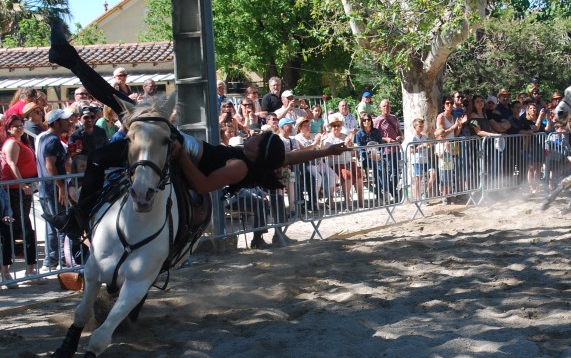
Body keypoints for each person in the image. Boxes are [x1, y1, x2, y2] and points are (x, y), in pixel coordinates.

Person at [44, 19, 350, 239]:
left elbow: (203, 186)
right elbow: (287, 158)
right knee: (119, 100)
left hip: (178, 148)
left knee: (101, 148)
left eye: (260, 141)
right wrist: (326, 149)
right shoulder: (253, 157)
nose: (255, 137)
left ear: (259, 153)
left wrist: (179, 154)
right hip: (180, 143)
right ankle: (68, 57)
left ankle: (79, 219)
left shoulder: (237, 166)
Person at [1, 114, 39, 281]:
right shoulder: (12, 143)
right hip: (14, 191)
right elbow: (11, 163)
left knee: (25, 228)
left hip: (22, 190)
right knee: (17, 228)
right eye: (15, 125)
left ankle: (30, 269)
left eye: (21, 124)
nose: (19, 127)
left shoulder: (22, 142)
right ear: (9, 129)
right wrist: (22, 183)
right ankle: (9, 271)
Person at [37, 108, 74, 270]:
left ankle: (52, 260)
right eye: (65, 120)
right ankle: (59, 260)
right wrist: (61, 187)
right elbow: (49, 166)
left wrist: (68, 156)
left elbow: (56, 164)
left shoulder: (47, 138)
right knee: (60, 224)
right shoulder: (52, 140)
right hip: (52, 189)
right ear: (56, 123)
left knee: (52, 225)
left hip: (47, 188)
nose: (69, 122)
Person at [323, 116, 362, 208]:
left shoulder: (345, 137)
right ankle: (347, 200)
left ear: (341, 127)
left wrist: (350, 145)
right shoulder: (328, 139)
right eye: (334, 126)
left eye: (338, 125)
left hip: (348, 161)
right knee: (347, 175)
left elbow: (352, 153)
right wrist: (345, 145)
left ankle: (361, 200)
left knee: (359, 175)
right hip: (335, 163)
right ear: (331, 127)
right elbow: (331, 154)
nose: (336, 127)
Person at [373, 99, 404, 199]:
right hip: (385, 150)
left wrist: (400, 137)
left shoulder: (394, 118)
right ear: (380, 108)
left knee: (395, 171)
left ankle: (393, 190)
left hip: (395, 148)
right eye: (384, 106)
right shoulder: (377, 121)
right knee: (388, 171)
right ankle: (390, 191)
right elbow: (375, 136)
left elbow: (398, 130)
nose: (386, 108)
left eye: (388, 106)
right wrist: (386, 139)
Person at [355, 113, 387, 200]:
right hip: (366, 158)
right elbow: (359, 149)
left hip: (377, 156)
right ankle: (381, 192)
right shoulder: (358, 134)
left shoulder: (376, 132)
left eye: (368, 120)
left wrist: (380, 154)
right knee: (377, 167)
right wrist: (369, 155)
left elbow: (381, 145)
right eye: (364, 120)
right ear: (361, 121)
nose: (367, 121)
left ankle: (382, 191)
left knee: (382, 168)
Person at [406, 118, 436, 201]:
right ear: (415, 127)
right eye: (420, 126)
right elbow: (411, 150)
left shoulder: (424, 136)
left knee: (433, 174)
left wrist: (428, 146)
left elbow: (426, 145)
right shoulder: (413, 137)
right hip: (417, 160)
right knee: (418, 178)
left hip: (425, 159)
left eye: (422, 126)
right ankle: (418, 197)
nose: (422, 128)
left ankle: (425, 192)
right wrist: (421, 146)